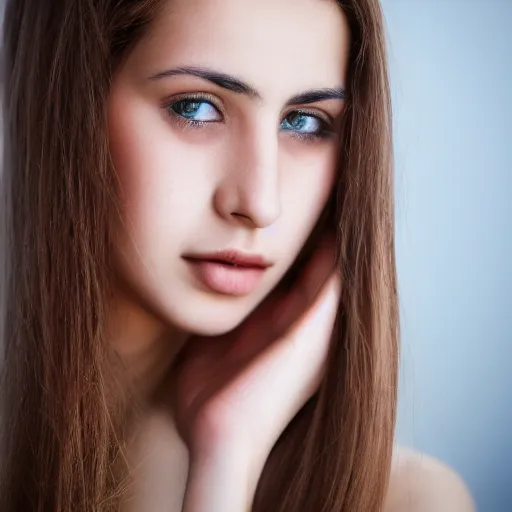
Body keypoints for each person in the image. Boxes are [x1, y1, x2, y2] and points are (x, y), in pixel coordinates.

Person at [0, 0, 475, 511]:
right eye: (196, 108)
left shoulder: (409, 500)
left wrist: (227, 461)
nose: (259, 203)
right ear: (64, 103)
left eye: (305, 123)